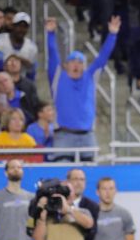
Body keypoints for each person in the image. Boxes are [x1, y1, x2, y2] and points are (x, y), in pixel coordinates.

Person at [46, 16, 120, 159]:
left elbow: (103, 58)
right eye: (72, 61)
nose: (76, 64)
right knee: (61, 172)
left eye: (80, 62)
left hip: (87, 136)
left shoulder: (90, 77)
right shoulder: (57, 77)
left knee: (89, 173)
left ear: (85, 66)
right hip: (63, 136)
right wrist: (50, 34)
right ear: (66, 65)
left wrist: (112, 35)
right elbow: (52, 54)